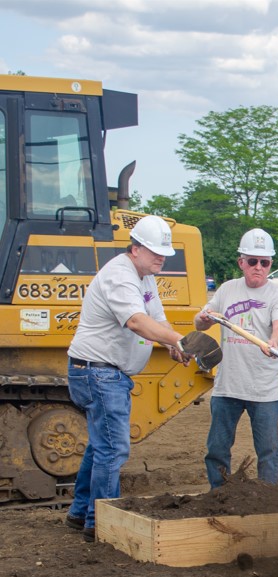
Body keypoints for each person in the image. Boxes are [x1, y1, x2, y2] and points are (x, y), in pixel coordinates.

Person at [64, 215, 190, 541]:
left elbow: (155, 318)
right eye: (154, 251)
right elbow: (136, 322)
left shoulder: (144, 277)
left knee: (100, 446)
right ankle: (102, 524)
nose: (161, 257)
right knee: (113, 449)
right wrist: (177, 339)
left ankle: (80, 513)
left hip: (103, 371)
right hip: (99, 372)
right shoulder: (121, 276)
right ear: (135, 248)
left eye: (164, 252)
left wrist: (170, 344)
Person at [194, 228, 278, 487]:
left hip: (265, 389)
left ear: (270, 264)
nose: (258, 267)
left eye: (264, 262)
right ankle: (219, 494)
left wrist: (274, 340)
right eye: (252, 261)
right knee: (217, 449)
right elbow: (201, 323)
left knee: (268, 452)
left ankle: (267, 499)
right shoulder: (227, 290)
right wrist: (203, 317)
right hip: (228, 387)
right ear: (241, 262)